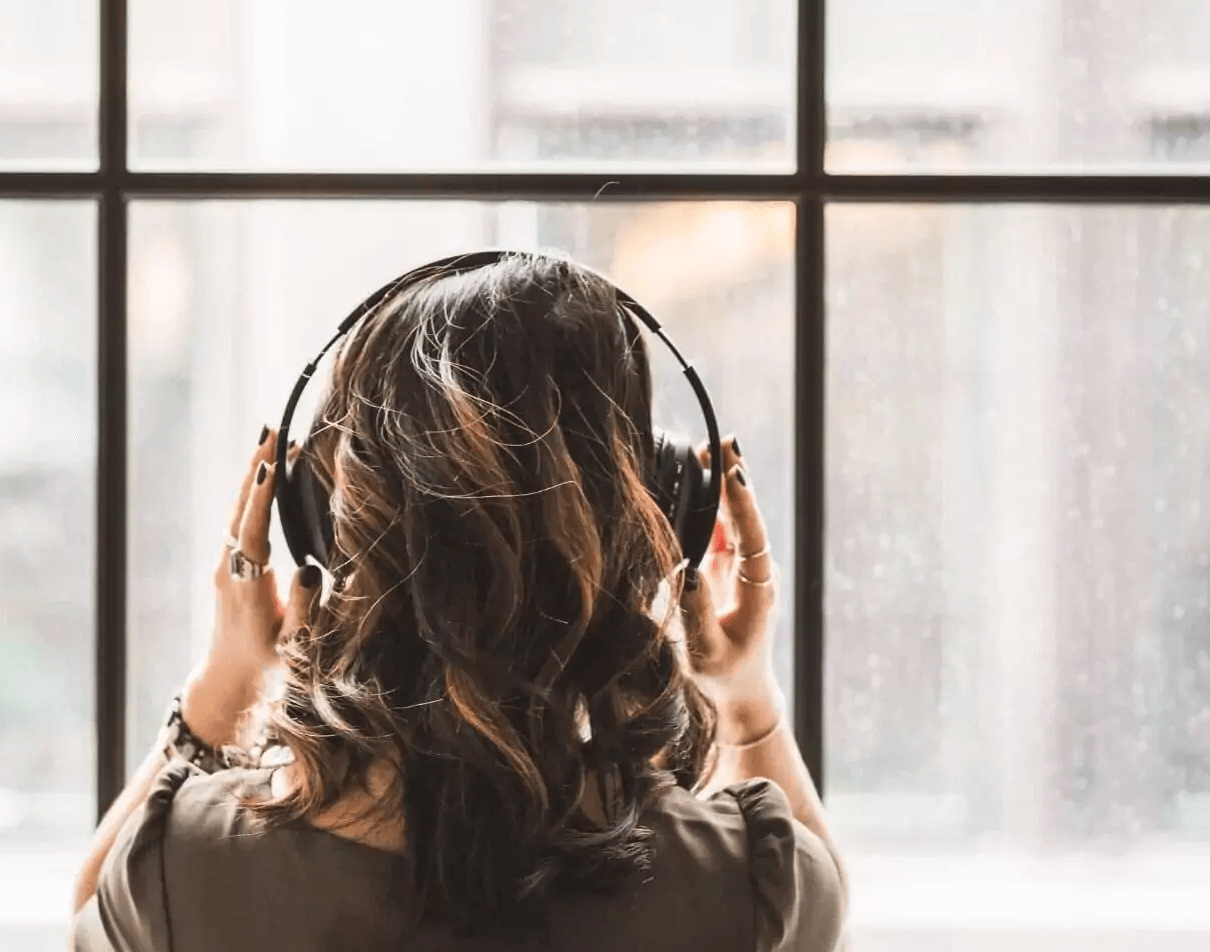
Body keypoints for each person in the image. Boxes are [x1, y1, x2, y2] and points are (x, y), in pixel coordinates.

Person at [71, 253, 845, 951]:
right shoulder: (752, 884)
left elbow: (93, 920)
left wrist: (220, 690)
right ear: (662, 517)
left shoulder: (182, 867)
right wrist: (749, 702)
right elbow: (823, 921)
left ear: (320, 526)